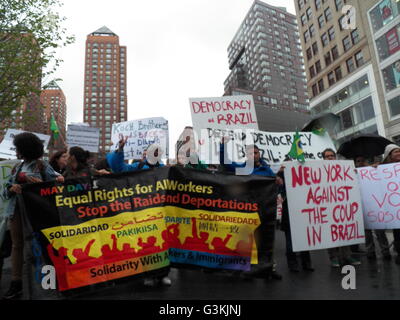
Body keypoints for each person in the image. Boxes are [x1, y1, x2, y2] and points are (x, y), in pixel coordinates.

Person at [2, 132, 64, 299]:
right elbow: (4, 192)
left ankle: (47, 284)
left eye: (18, 148)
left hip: (37, 213)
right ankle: (17, 283)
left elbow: (57, 182)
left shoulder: (42, 166)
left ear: (25, 149)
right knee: (17, 246)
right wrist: (11, 189)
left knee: (41, 245)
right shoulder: (17, 167)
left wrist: (48, 183)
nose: (16, 151)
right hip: (16, 211)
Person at [106, 137, 171, 287]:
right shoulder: (137, 166)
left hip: (159, 212)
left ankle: (162, 274)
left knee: (161, 244)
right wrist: (120, 150)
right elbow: (118, 168)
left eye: (157, 151)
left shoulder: (164, 169)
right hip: (141, 212)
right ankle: (147, 274)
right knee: (145, 245)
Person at [220, 137, 282, 280]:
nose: (252, 155)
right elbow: (226, 163)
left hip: (266, 212)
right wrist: (223, 145)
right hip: (248, 212)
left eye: (255, 152)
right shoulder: (242, 169)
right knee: (248, 242)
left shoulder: (268, 171)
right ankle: (248, 269)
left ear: (259, 154)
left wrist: (279, 182)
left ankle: (269, 269)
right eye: (249, 153)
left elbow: (277, 187)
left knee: (267, 242)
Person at [322, 148, 361, 267]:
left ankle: (347, 256)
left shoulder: (344, 168)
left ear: (335, 157)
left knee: (344, 230)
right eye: (327, 156)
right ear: (323, 158)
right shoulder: (319, 170)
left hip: (341, 206)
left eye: (332, 156)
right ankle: (333, 257)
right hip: (326, 206)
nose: (330, 158)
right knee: (330, 232)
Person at [354, 156, 391, 261]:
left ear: (367, 161)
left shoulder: (374, 171)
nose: (361, 163)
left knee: (380, 231)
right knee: (367, 233)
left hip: (375, 206)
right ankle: (370, 252)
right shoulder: (354, 174)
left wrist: (374, 169)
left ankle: (385, 251)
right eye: (358, 161)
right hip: (362, 207)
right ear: (355, 163)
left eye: (363, 160)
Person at [277, 170, 314, 273]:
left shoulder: (303, 177)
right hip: (289, 214)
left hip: (302, 213)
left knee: (304, 240)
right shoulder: (282, 179)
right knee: (290, 241)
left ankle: (306, 263)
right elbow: (280, 191)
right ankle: (293, 264)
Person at [381, 144, 400, 264]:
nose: (398, 153)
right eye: (395, 152)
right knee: (398, 232)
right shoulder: (383, 169)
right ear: (389, 155)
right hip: (394, 207)